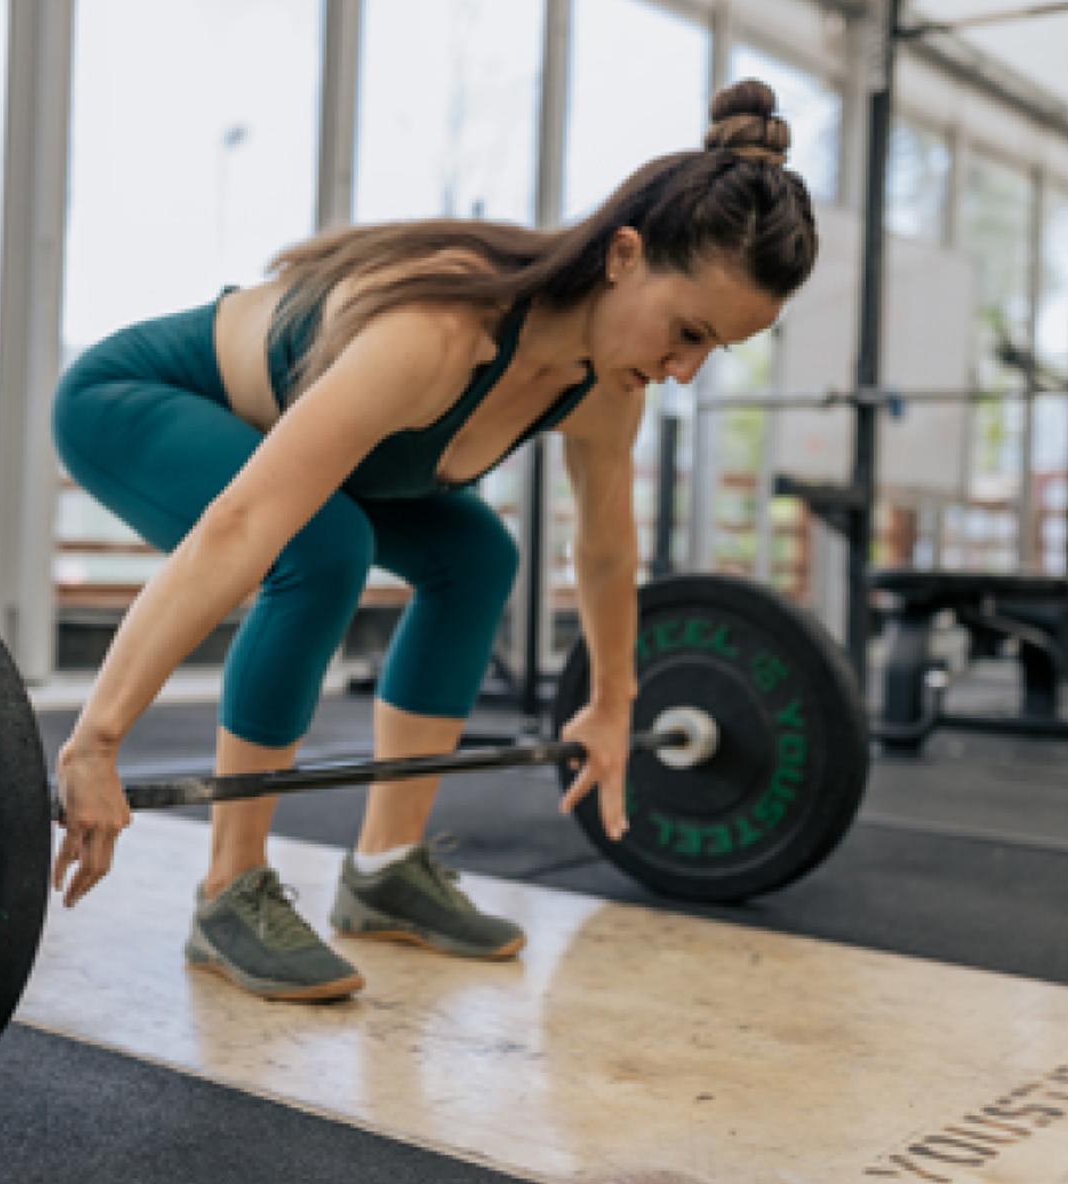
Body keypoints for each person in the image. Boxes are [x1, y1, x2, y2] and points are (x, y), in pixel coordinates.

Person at [50, 77, 817, 1002]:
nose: (686, 371)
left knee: (477, 556)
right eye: (686, 332)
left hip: (329, 460)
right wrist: (98, 739)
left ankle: (385, 871)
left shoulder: (611, 386)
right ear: (623, 255)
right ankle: (229, 890)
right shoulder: (442, 336)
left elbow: (609, 550)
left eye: (713, 352)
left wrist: (613, 700)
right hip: (141, 403)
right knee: (319, 548)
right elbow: (246, 521)